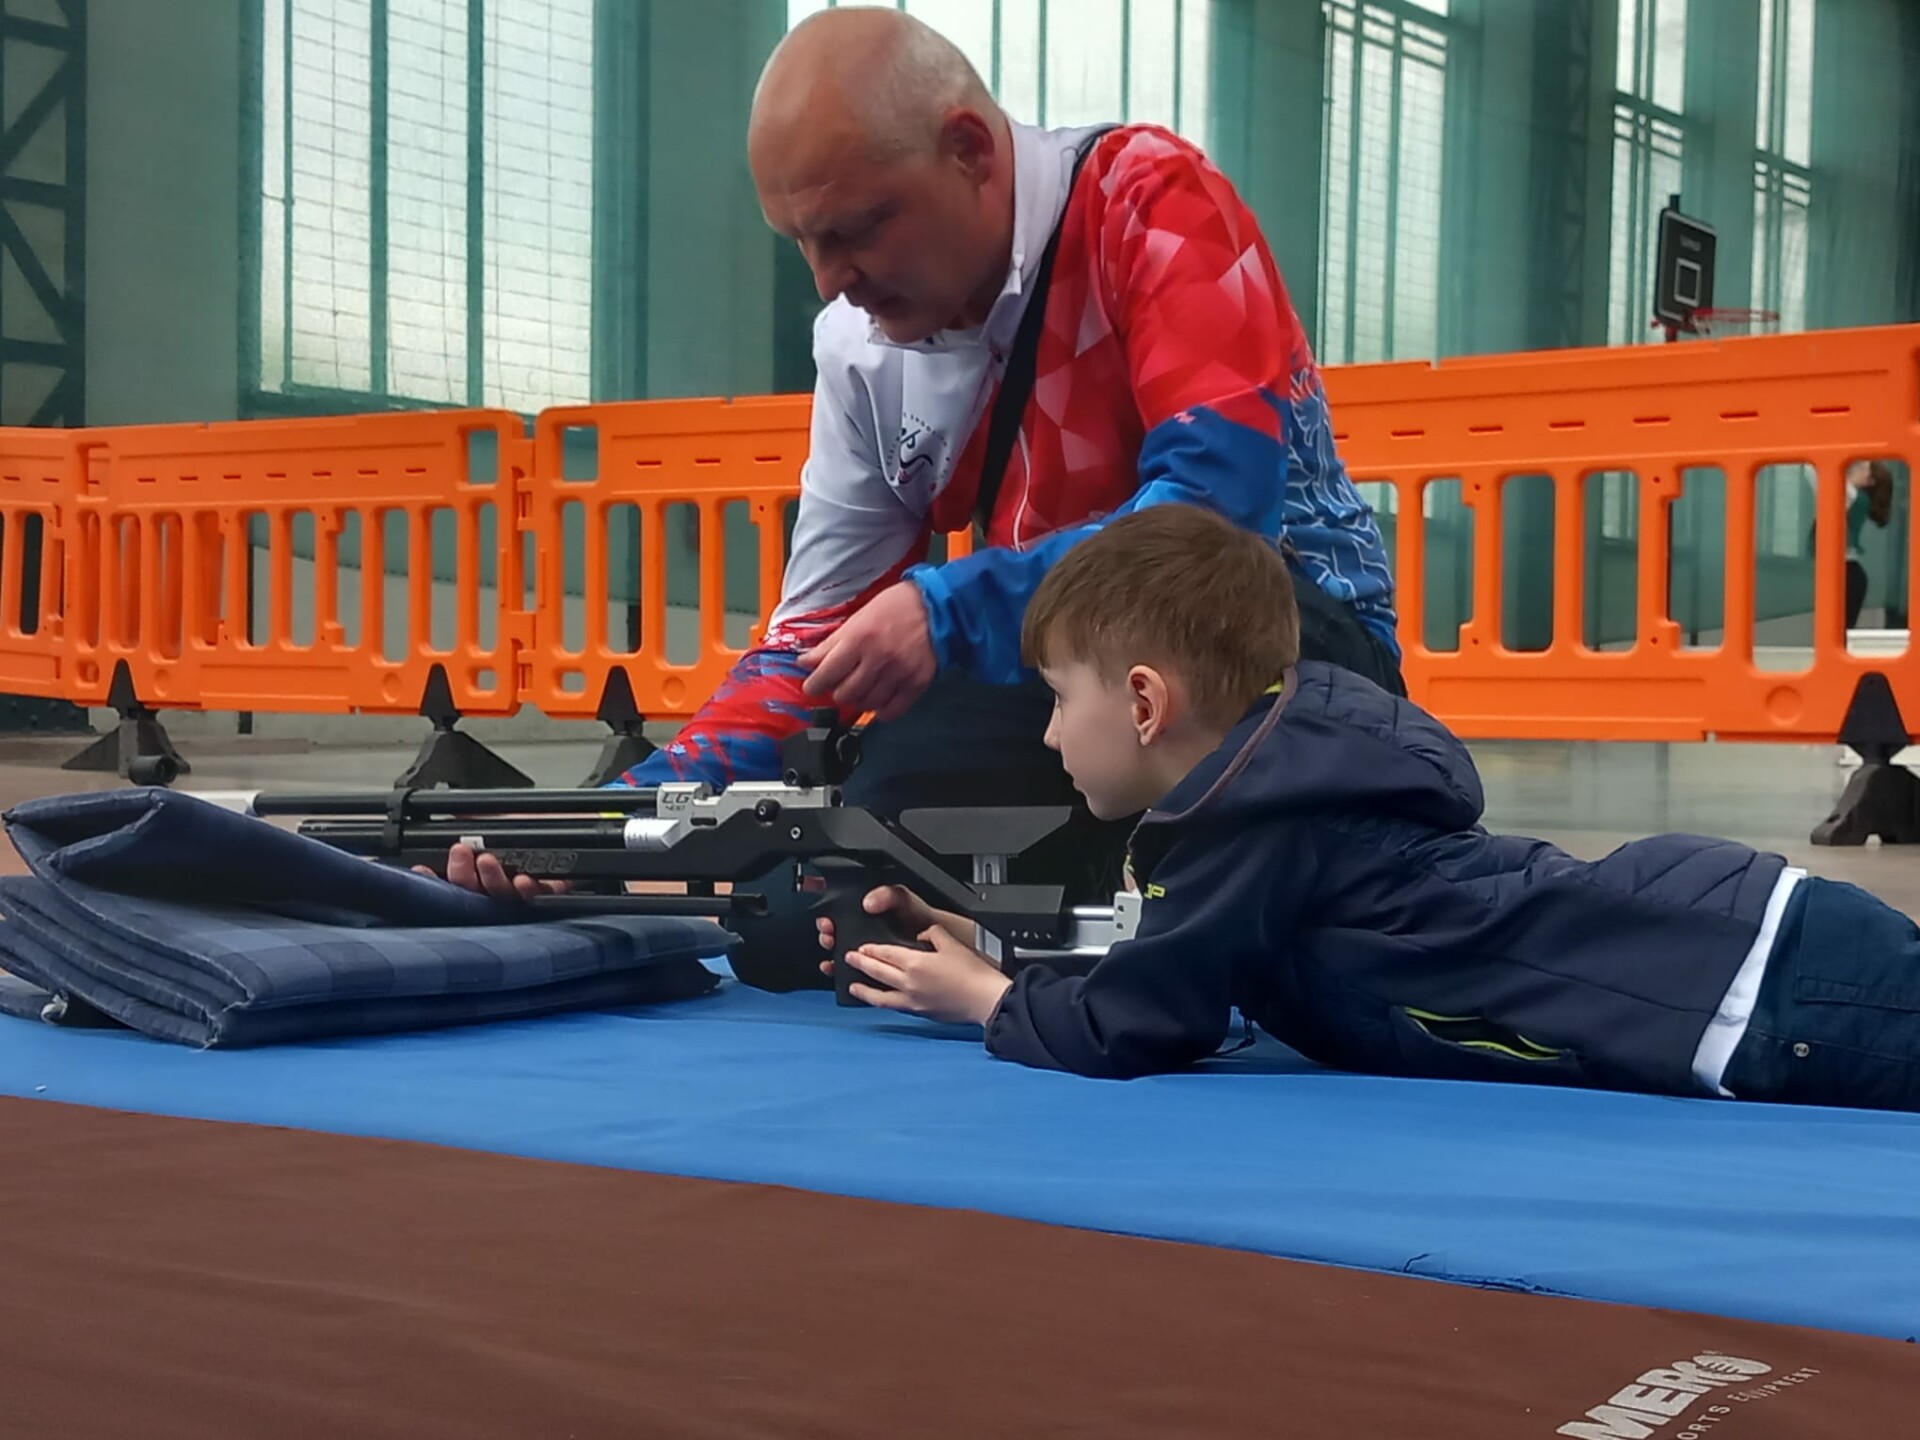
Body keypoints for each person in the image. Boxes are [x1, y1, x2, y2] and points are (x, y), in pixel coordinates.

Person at [444, 8, 1401, 984]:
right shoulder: (858, 349)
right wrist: (614, 822)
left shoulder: (1152, 202)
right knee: (807, 921)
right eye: (802, 242)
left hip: (1282, 637)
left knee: (1120, 849)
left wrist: (949, 611)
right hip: (1060, 676)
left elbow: (1214, 522)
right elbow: (810, 645)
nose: (831, 280)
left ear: (970, 151)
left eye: (859, 228)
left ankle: (1153, 894)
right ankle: (1099, 900)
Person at [823, 502, 1920, 1114]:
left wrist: (985, 1000)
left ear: (1146, 704)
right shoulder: (1275, 787)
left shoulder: (1248, 820)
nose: (1049, 735)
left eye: (1060, 700)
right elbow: (1176, 957)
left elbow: (1144, 1021)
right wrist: (1000, 947)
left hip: (1747, 993)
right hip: (1739, 948)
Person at [1843, 460, 1896, 630]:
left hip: (1847, 573)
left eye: (1862, 467)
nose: (1854, 466)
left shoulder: (1852, 496)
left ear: (1869, 480)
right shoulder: (1854, 497)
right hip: (1851, 573)